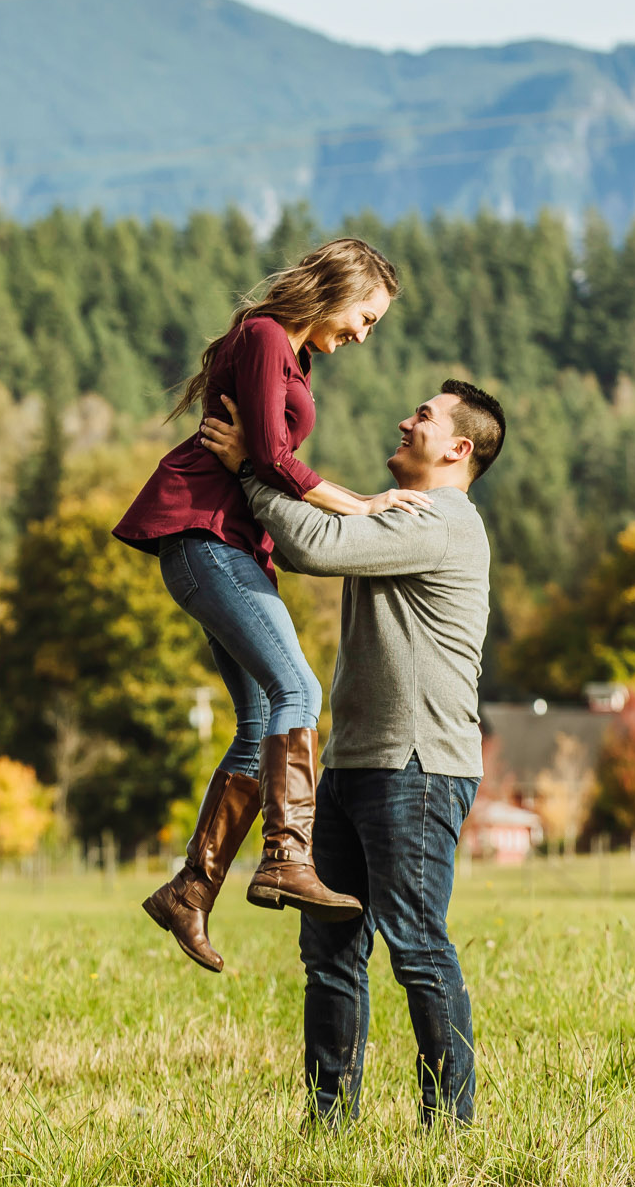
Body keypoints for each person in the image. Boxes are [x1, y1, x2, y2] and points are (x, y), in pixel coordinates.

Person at [114, 238, 428, 972]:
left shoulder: (291, 353)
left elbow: (262, 459)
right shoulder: (262, 337)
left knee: (262, 716)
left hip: (232, 544)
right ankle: (286, 856)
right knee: (300, 688)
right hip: (205, 537)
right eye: (366, 316)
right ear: (336, 290)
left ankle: (192, 889)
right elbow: (273, 461)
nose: (364, 333)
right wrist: (366, 504)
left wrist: (336, 499)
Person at [198, 377, 504, 1128]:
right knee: (330, 954)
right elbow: (322, 525)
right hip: (351, 765)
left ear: (459, 449)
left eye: (423, 418)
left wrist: (249, 465)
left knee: (416, 946)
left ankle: (450, 1129)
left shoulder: (444, 520)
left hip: (418, 767)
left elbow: (308, 543)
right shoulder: (403, 511)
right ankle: (329, 1125)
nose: (406, 420)